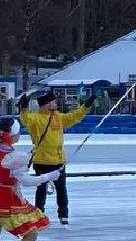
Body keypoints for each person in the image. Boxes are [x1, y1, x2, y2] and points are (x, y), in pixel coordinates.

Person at [17, 89, 92, 225]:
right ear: (46, 104)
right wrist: (23, 108)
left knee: (61, 189)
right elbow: (25, 119)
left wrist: (85, 107)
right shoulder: (36, 118)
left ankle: (63, 215)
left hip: (58, 160)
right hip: (42, 160)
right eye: (53, 102)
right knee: (41, 189)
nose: (56, 104)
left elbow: (74, 117)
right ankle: (39, 214)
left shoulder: (58, 117)